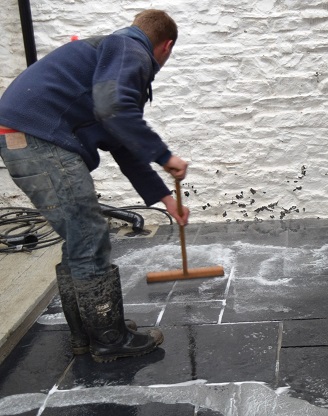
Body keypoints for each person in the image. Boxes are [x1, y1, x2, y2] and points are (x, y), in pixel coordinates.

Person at [0, 9, 189, 362]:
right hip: (40, 138)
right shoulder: (129, 49)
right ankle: (109, 339)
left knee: (78, 236)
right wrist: (165, 156)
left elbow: (121, 141)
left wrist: (166, 199)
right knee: (88, 234)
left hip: (24, 136)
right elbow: (112, 111)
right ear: (166, 46)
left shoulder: (110, 58)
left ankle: (87, 335)